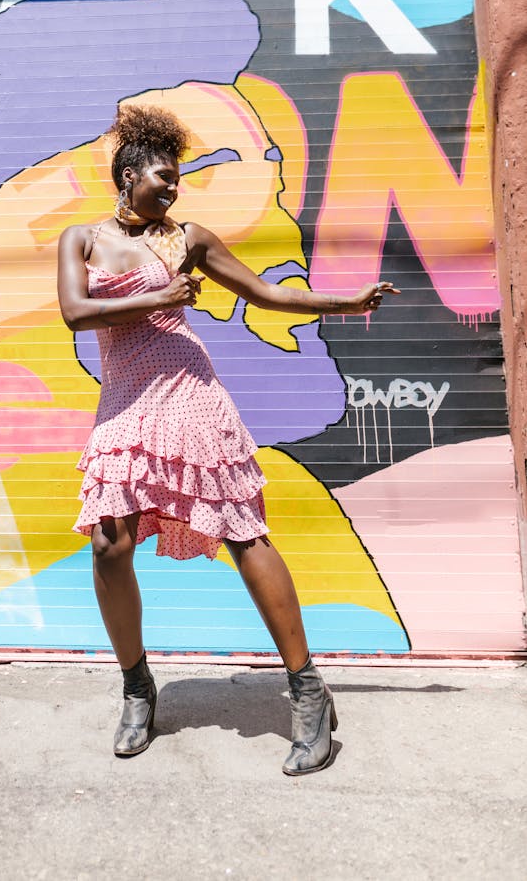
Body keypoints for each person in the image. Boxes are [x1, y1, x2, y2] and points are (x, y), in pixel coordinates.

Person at [57, 104, 398, 776]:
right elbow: (75, 311)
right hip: (126, 399)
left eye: (178, 177)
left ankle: (306, 688)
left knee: (244, 533)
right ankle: (137, 687)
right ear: (127, 175)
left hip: (190, 392)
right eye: (162, 175)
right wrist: (160, 298)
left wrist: (346, 302)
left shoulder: (188, 238)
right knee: (108, 544)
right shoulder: (82, 240)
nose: (173, 186)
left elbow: (266, 295)